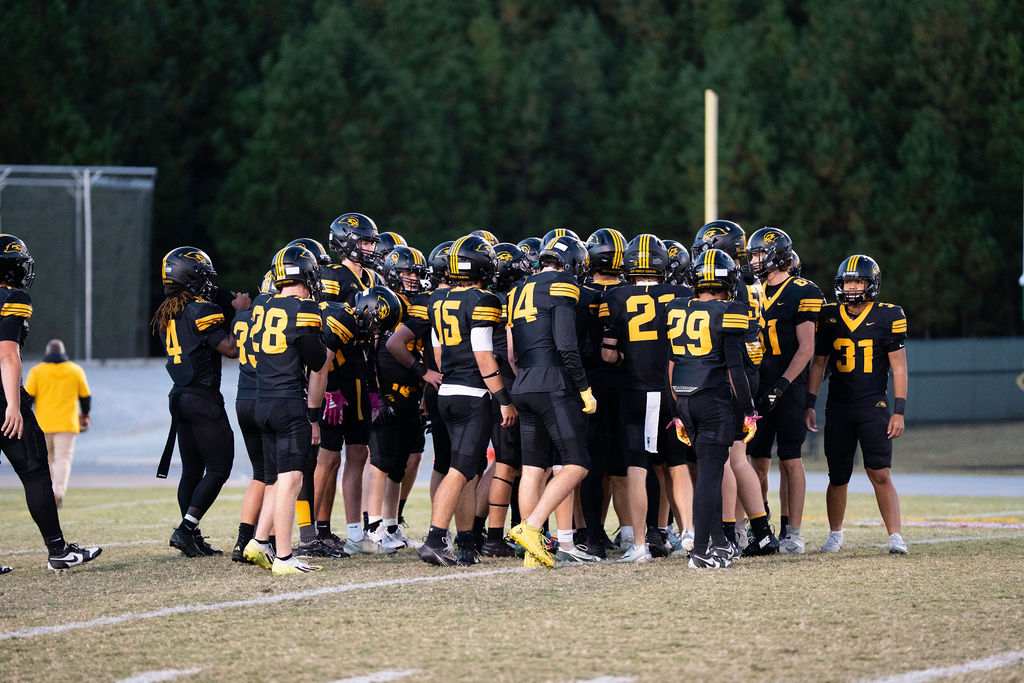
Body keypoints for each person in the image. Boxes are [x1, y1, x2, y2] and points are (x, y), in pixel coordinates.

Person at [0, 234, 101, 574]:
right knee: (35, 472)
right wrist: (12, 405)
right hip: (2, 399)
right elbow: (7, 354)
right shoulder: (12, 297)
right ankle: (58, 551)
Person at [418, 235, 516, 567]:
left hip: (447, 392)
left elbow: (438, 354)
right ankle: (434, 539)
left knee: (470, 473)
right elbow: (484, 355)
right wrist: (503, 398)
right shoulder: (483, 300)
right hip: (473, 394)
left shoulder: (437, 299)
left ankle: (466, 545)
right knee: (460, 471)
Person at [805, 255, 909, 555]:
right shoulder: (828, 316)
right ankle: (835, 534)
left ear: (871, 284)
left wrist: (899, 411)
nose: (851, 287)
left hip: (872, 405)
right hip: (839, 406)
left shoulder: (889, 315)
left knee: (880, 472)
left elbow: (899, 367)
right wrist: (810, 403)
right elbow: (818, 364)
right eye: (848, 282)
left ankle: (895, 537)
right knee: (838, 475)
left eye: (858, 282)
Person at [505, 236, 598, 566]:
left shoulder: (517, 289)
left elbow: (512, 352)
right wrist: (583, 387)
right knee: (577, 464)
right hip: (552, 381)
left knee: (533, 469)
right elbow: (567, 346)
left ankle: (533, 551)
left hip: (523, 382)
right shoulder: (562, 284)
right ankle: (531, 528)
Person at [599, 234, 689, 563]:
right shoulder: (682, 294)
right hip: (675, 391)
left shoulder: (616, 296)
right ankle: (690, 534)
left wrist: (628, 356)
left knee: (637, 467)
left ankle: (639, 545)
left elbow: (607, 354)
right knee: (677, 465)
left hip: (637, 390)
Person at [242, 244, 332, 574]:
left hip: (261, 401)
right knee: (291, 481)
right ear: (306, 275)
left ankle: (258, 542)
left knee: (275, 480)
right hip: (288, 404)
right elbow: (317, 360)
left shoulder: (261, 304)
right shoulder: (304, 308)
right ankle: (283, 556)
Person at [667, 248, 757, 569]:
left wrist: (677, 409)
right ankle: (701, 551)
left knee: (712, 472)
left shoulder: (677, 307)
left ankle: (719, 543)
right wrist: (748, 410)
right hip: (713, 400)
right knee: (709, 476)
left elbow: (672, 363)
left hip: (684, 398)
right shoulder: (729, 310)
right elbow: (735, 368)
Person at [152, 246, 240, 558]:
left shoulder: (168, 311)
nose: (208, 282)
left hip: (179, 396)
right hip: (202, 397)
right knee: (219, 468)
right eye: (203, 276)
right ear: (190, 277)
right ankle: (186, 528)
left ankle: (191, 535)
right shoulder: (201, 309)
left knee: (191, 471)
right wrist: (242, 315)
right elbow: (230, 349)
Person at [745, 227, 824, 554]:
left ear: (777, 255)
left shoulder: (802, 290)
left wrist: (782, 385)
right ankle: (761, 528)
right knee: (756, 461)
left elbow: (807, 348)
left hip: (789, 387)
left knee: (790, 458)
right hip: (758, 384)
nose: (753, 260)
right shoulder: (752, 291)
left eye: (759, 254)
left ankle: (794, 532)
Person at [314, 214, 388, 555]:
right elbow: (323, 328)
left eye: (372, 242)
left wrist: (372, 384)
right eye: (365, 241)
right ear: (346, 242)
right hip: (334, 372)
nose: (371, 248)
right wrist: (327, 386)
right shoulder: (331, 276)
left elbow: (375, 334)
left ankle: (355, 534)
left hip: (361, 370)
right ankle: (312, 532)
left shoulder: (373, 278)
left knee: (359, 452)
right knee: (328, 457)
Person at [25, 338, 91, 508]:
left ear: (47, 353)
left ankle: (48, 493)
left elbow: (28, 399)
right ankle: (58, 492)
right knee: (63, 459)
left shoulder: (37, 371)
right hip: (67, 424)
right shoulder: (75, 370)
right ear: (64, 353)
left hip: (42, 423)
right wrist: (85, 414)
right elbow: (85, 397)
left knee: (46, 460)